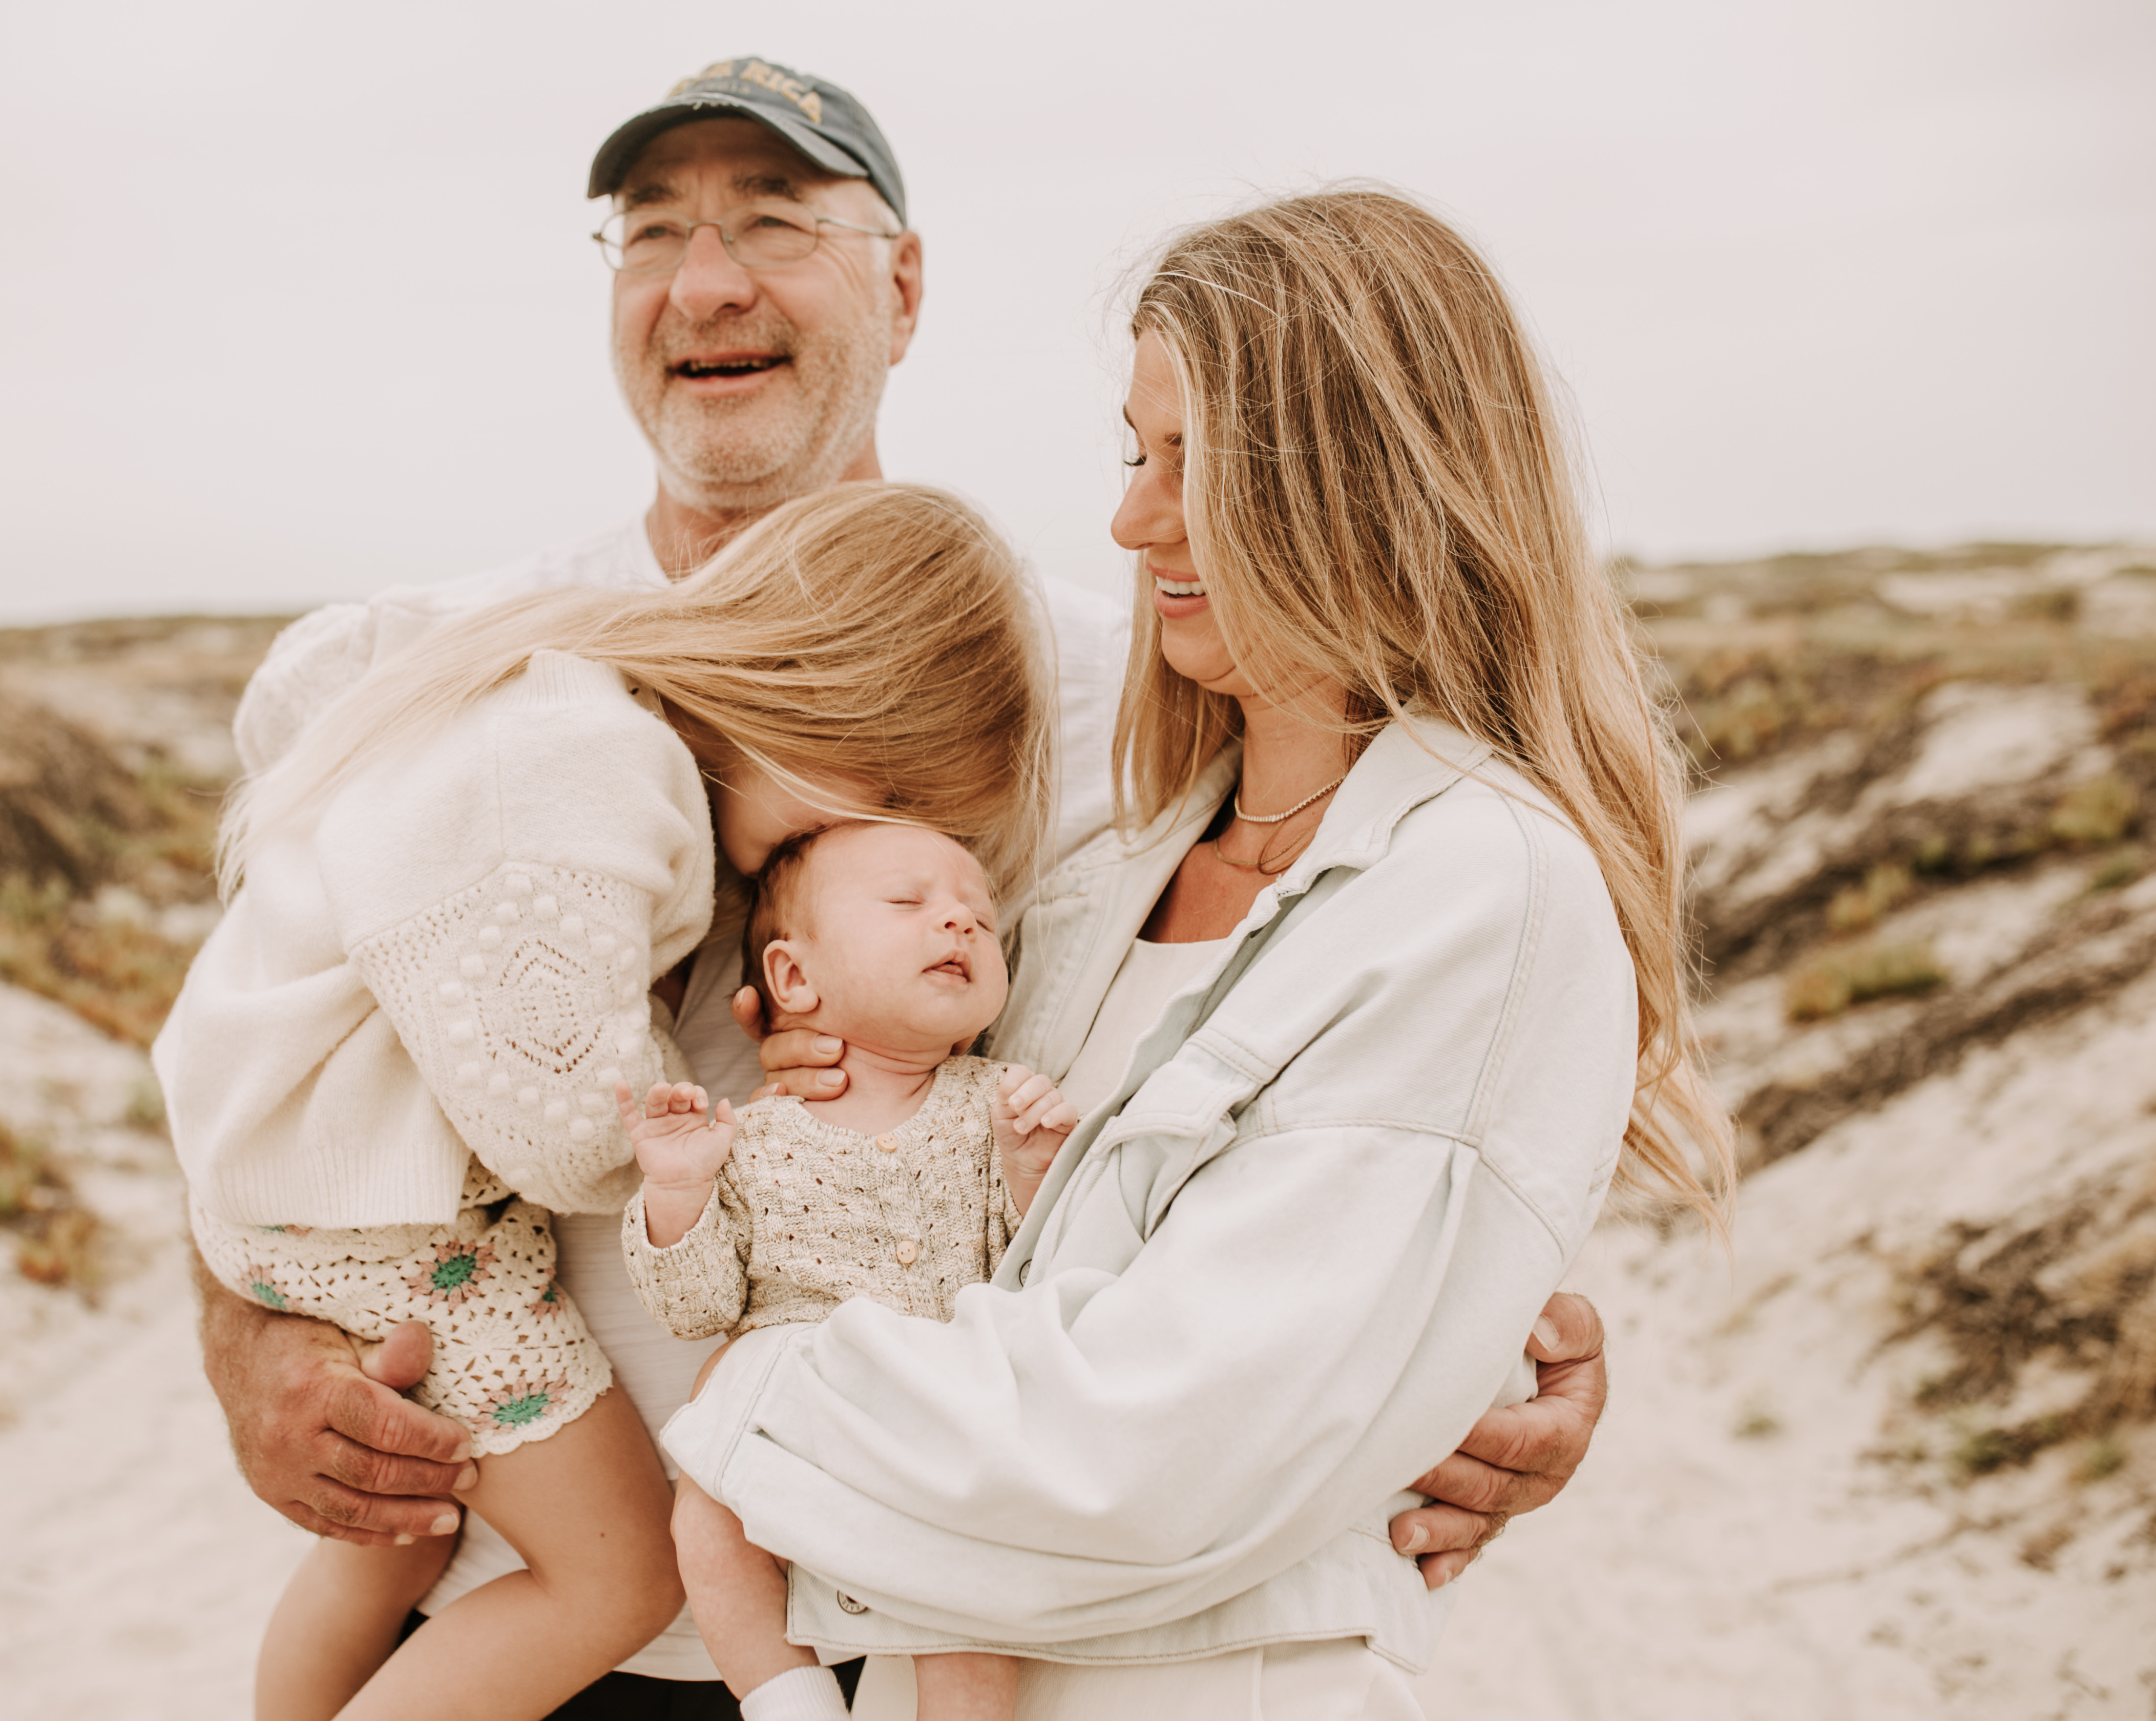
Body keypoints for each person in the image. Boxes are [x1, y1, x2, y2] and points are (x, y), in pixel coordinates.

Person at [196, 57, 1614, 1715]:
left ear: (906, 281)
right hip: (543, 1615)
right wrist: (244, 1341)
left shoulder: (1112, 697)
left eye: (777, 221)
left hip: (890, 1623)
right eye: (653, 231)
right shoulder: (492, 671)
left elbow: (1290, 1057)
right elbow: (270, 1058)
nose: (706, 280)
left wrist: (1484, 1324)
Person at [664, 187, 1736, 1720]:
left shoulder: (1478, 889)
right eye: (1134, 452)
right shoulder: (1105, 872)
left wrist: (749, 1403)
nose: (1129, 520)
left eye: (1200, 467)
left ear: (1372, 490)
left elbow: (1144, 1464)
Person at [157, 483, 1054, 1719]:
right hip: (396, 1239)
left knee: (405, 1530)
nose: (859, 846)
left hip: (316, 1194)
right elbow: (569, 1130)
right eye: (888, 801)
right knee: (621, 1572)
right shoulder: (578, 768)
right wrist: (744, 1132)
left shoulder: (565, 708)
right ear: (816, 685)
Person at [617, 822, 1081, 1721]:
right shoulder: (752, 1133)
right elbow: (697, 1305)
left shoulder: (1001, 1103)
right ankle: (789, 1702)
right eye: (910, 904)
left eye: (981, 922)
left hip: (944, 1416)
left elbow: (1044, 1276)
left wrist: (1034, 1177)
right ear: (793, 978)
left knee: (971, 1587)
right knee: (707, 1516)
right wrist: (679, 1192)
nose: (958, 925)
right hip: (795, 1401)